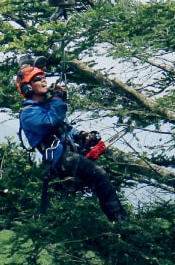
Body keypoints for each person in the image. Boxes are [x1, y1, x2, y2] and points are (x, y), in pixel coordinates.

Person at [15, 62, 127, 223]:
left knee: (98, 172)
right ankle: (119, 219)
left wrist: (81, 135)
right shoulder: (29, 113)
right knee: (99, 174)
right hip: (60, 160)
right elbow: (52, 121)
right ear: (27, 87)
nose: (44, 81)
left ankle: (110, 215)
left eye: (44, 77)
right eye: (38, 79)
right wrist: (58, 98)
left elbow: (63, 127)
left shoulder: (45, 106)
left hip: (69, 154)